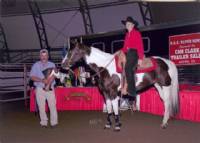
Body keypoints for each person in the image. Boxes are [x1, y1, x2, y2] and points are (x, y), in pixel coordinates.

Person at [30, 49, 58, 128]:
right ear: (40, 56)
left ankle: (54, 122)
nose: (44, 57)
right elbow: (32, 77)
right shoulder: (36, 65)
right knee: (41, 107)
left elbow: (55, 74)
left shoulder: (52, 64)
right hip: (39, 88)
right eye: (42, 56)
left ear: (48, 56)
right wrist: (42, 80)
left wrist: (48, 84)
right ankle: (43, 123)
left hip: (50, 88)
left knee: (52, 106)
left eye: (45, 55)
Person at [119, 16, 145, 98]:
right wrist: (119, 52)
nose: (127, 25)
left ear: (133, 25)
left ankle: (132, 91)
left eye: (129, 24)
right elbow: (124, 47)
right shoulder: (127, 35)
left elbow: (140, 46)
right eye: (126, 24)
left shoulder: (137, 33)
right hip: (128, 53)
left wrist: (140, 58)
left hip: (134, 53)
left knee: (128, 68)